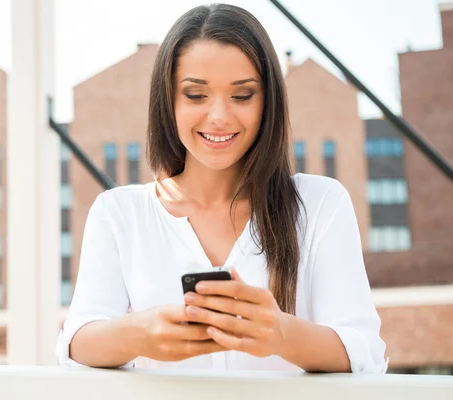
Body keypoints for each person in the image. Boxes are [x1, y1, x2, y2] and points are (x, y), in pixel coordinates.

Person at [56, 3, 387, 373]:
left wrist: (280, 334)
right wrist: (141, 334)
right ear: (169, 101)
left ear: (268, 102)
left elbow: (364, 353)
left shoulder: (320, 204)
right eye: (196, 95)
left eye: (242, 95)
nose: (218, 116)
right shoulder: (119, 213)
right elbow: (77, 343)